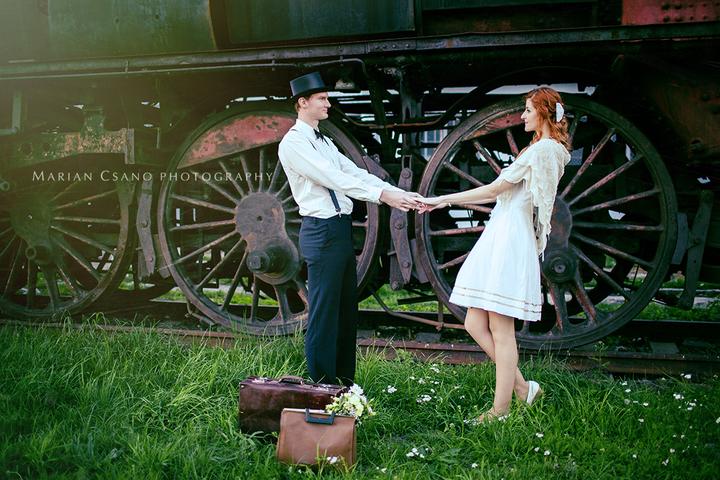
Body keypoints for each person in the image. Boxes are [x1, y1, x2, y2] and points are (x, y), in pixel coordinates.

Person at [419, 87, 571, 421]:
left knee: (501, 331)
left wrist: (442, 200)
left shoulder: (545, 150)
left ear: (544, 113)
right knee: (474, 322)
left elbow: (494, 190)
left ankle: (500, 411)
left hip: (510, 239)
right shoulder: (543, 149)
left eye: (528, 110)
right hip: (502, 233)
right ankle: (523, 388)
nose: (523, 116)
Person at [278, 72, 423, 386]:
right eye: (322, 99)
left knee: (345, 312)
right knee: (324, 314)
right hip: (321, 231)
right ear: (302, 103)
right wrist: (383, 196)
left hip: (339, 229)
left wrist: (396, 193)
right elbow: (334, 178)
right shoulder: (294, 143)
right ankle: (322, 386)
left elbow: (354, 173)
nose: (328, 104)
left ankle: (343, 384)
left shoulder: (324, 141)